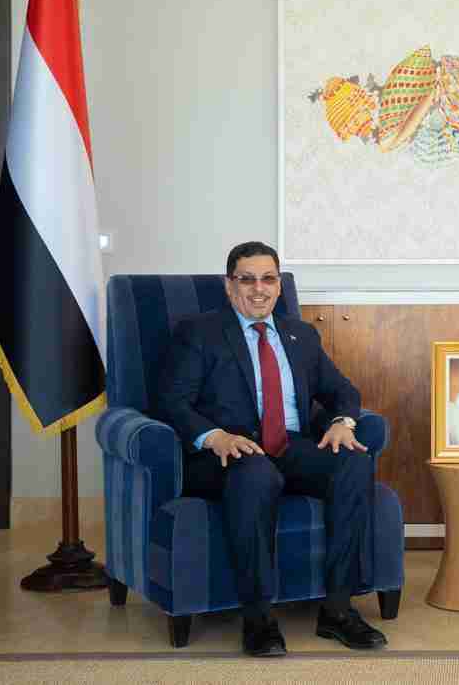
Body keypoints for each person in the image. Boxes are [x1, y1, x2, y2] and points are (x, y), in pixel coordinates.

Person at [157, 241, 387, 657]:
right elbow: (173, 401)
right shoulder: (199, 333)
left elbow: (343, 391)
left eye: (268, 279)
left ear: (279, 286)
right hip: (229, 452)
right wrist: (214, 436)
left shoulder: (301, 335)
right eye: (247, 280)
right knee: (258, 473)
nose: (258, 289)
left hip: (290, 445)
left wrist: (342, 422)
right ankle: (259, 619)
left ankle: (338, 610)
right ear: (229, 285)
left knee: (354, 461)